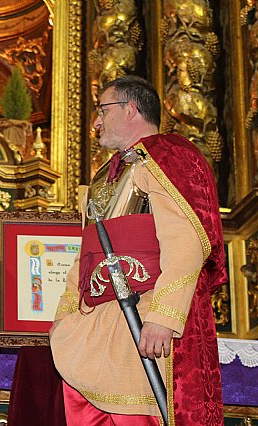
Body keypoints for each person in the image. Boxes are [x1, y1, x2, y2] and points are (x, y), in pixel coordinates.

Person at [49, 75, 227, 425]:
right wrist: (64, 318)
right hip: (96, 325)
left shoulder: (169, 156)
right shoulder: (106, 176)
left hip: (144, 321)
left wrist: (163, 319)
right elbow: (85, 257)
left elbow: (187, 241)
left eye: (103, 109)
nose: (96, 121)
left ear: (131, 109)